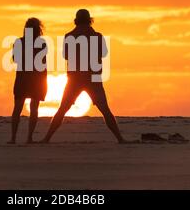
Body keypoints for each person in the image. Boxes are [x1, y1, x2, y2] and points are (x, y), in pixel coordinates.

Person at [40, 9, 129, 144]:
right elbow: (104, 54)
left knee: (62, 109)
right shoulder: (97, 36)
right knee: (105, 110)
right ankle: (120, 138)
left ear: (76, 20)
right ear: (90, 20)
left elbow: (66, 55)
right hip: (93, 77)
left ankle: (46, 138)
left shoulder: (69, 36)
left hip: (75, 78)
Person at [8, 18, 48, 144]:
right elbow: (43, 63)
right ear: (39, 29)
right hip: (37, 79)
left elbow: (15, 59)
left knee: (17, 108)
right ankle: (29, 137)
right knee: (34, 108)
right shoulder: (41, 43)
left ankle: (13, 137)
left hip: (23, 78)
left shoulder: (19, 42)